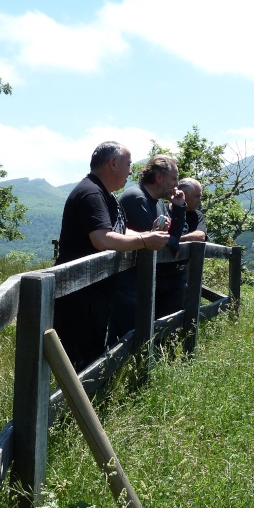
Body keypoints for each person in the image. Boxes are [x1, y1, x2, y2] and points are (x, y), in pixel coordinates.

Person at [54, 141, 169, 371]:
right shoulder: (91, 193)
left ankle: (79, 404)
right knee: (78, 361)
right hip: (80, 297)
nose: (131, 171)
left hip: (93, 295)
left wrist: (147, 234)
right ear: (113, 163)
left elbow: (118, 229)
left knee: (90, 356)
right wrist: (145, 241)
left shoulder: (106, 195)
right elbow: (102, 238)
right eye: (128, 164)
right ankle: (71, 406)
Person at [118, 155, 188, 329]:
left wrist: (178, 207)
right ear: (159, 177)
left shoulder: (159, 203)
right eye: (174, 178)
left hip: (144, 282)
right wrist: (172, 244)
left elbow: (172, 237)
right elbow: (157, 242)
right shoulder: (137, 199)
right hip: (129, 285)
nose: (176, 184)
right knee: (125, 338)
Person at [177, 178, 208, 242]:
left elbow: (200, 236)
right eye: (197, 196)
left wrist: (174, 240)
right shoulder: (163, 209)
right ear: (184, 194)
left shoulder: (196, 215)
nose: (199, 201)